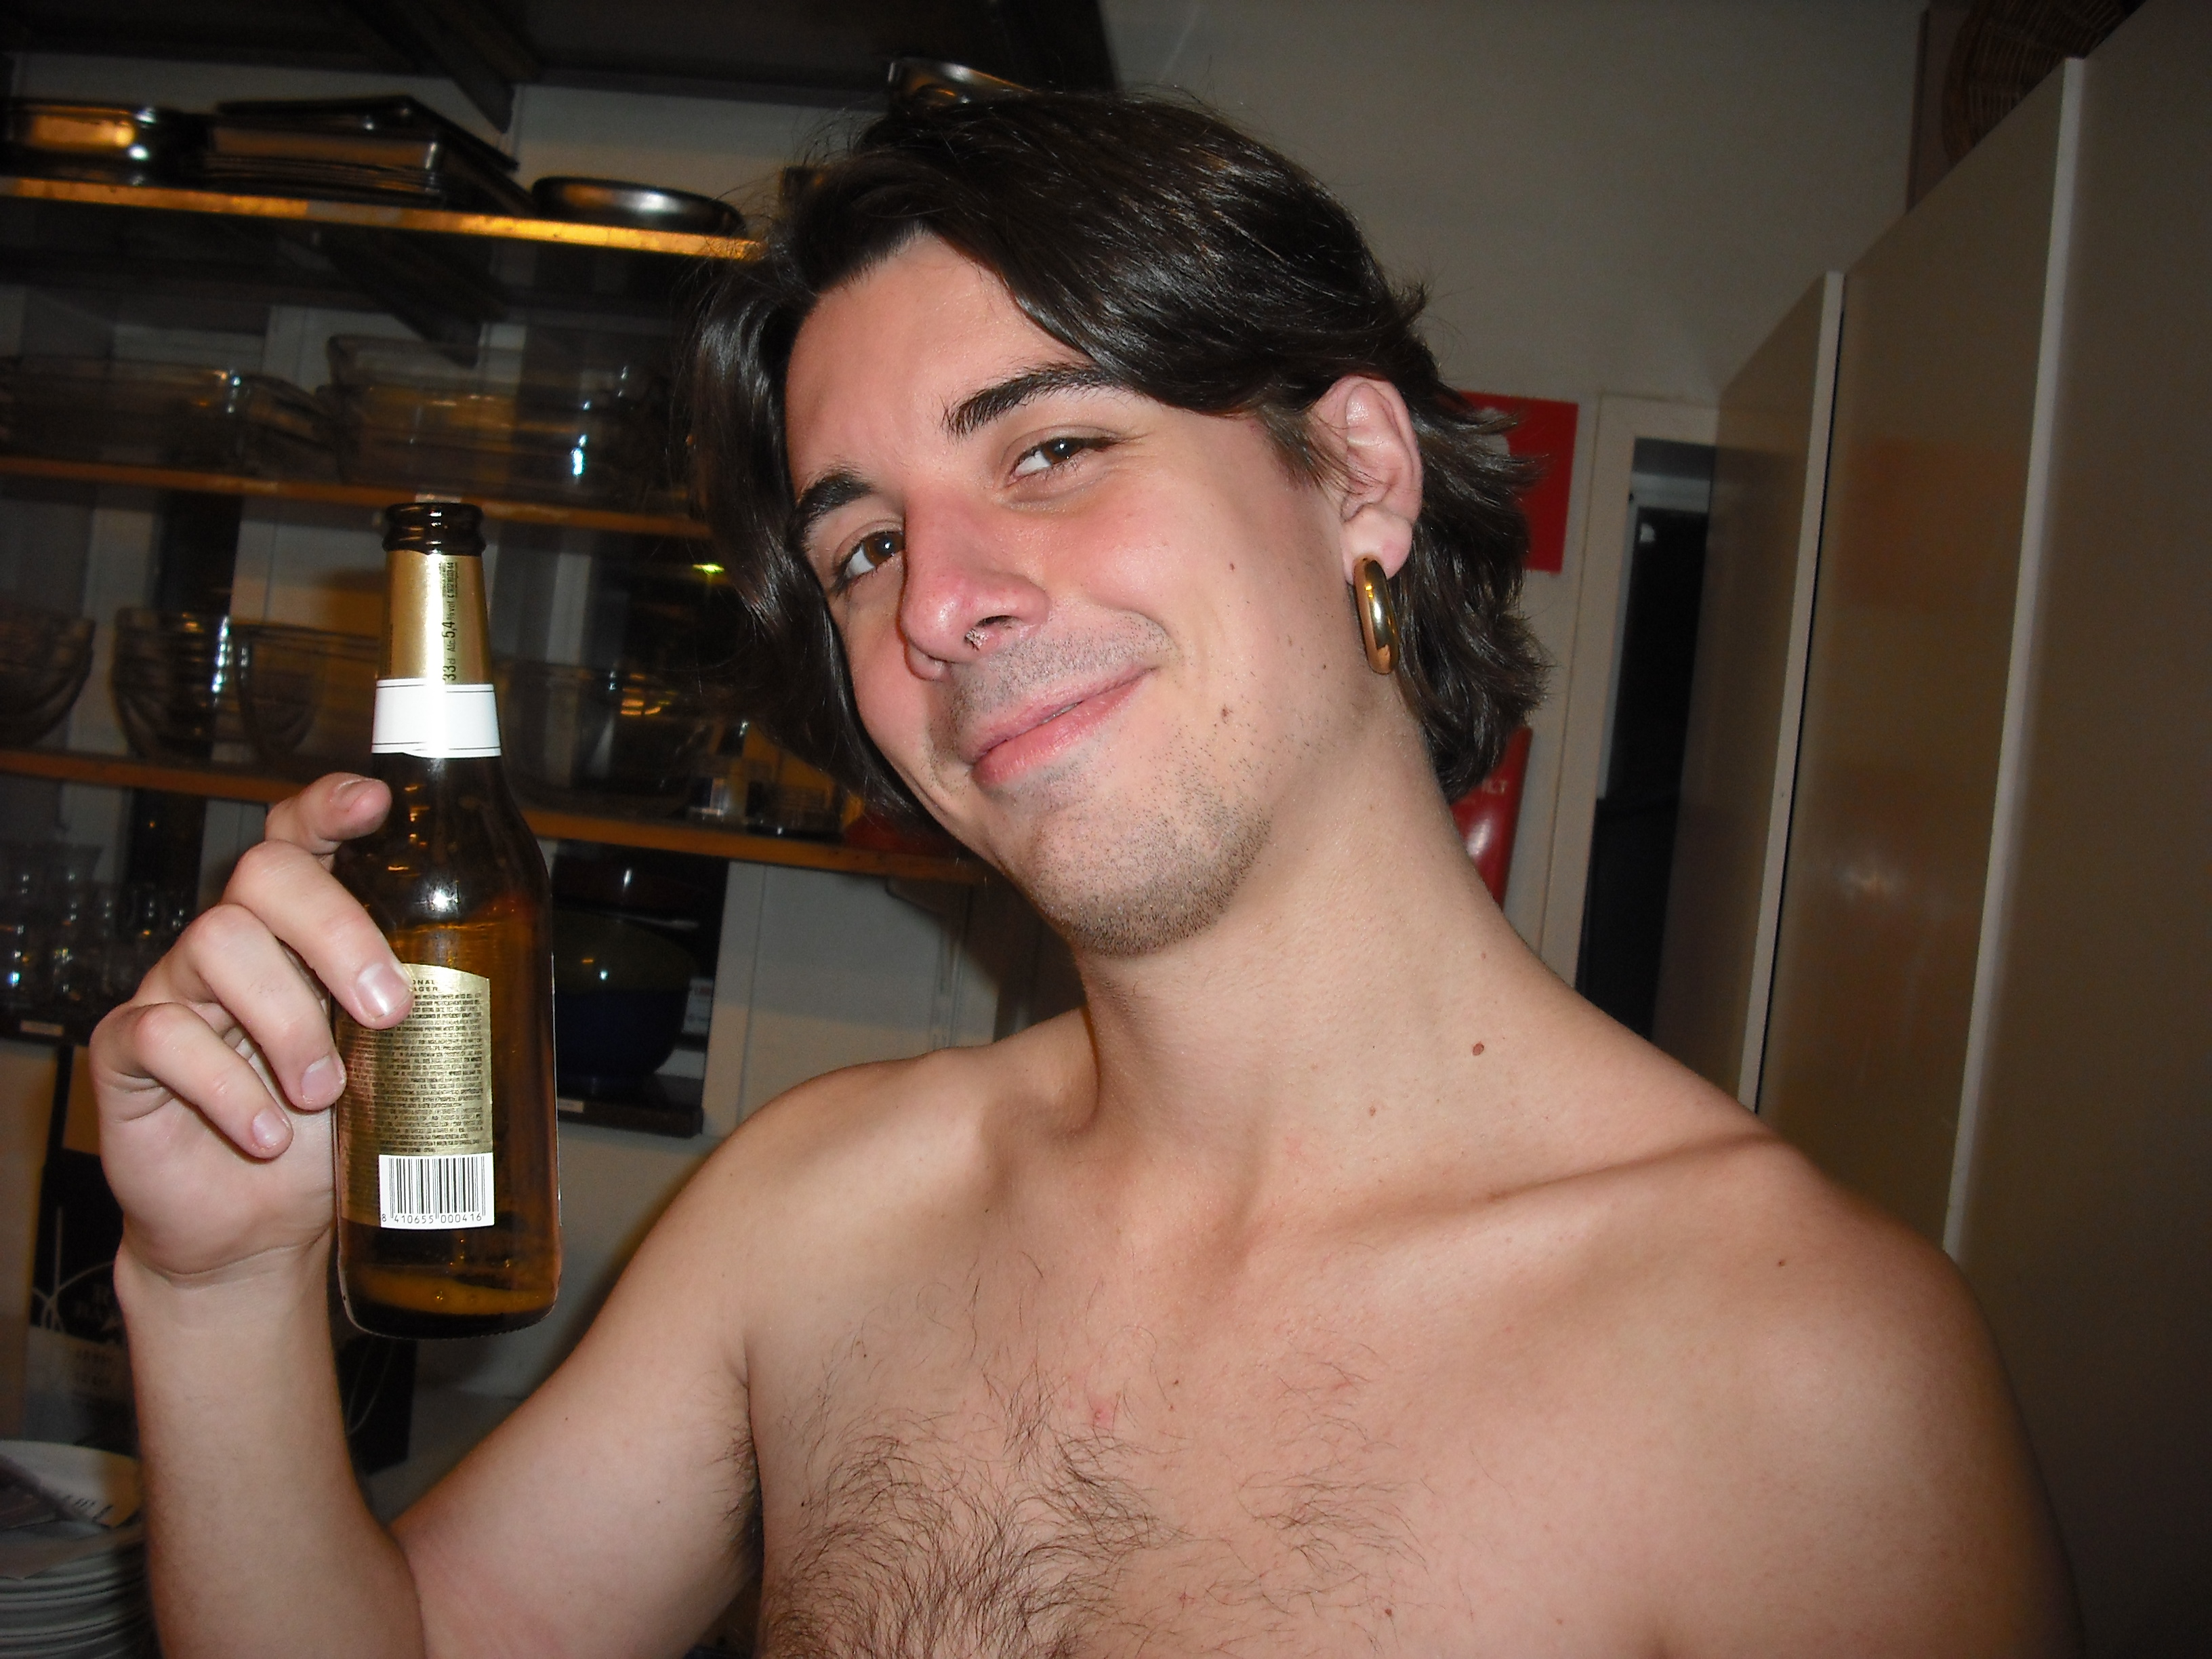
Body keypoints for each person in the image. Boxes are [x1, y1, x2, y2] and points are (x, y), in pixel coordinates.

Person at [91, 92, 2077, 1657]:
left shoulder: (1802, 1376)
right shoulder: (811, 1212)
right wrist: (219, 1287)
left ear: (1359, 475)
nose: (940, 605)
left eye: (1048, 450)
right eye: (866, 546)